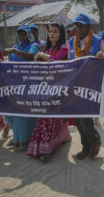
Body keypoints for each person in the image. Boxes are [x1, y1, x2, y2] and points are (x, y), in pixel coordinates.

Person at [26, 23, 71, 161]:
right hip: (44, 87)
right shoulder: (45, 47)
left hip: (57, 88)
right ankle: (62, 137)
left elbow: (56, 61)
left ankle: (47, 149)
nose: (52, 34)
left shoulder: (64, 47)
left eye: (55, 32)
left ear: (61, 34)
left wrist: (41, 55)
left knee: (52, 118)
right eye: (50, 31)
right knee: (44, 117)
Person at [68, 13, 104, 160]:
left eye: (82, 26)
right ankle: (85, 146)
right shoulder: (72, 41)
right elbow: (68, 61)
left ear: (89, 27)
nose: (79, 29)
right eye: (77, 26)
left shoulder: (98, 40)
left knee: (85, 117)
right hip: (76, 84)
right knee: (78, 118)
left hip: (91, 85)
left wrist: (102, 56)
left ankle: (95, 140)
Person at [3, 25, 39, 149]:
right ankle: (18, 135)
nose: (22, 36)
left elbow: (30, 57)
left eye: (24, 34)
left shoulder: (34, 46)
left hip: (29, 85)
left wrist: (13, 51)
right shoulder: (15, 47)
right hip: (14, 85)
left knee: (23, 112)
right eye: (20, 34)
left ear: (28, 35)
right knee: (9, 112)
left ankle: (24, 139)